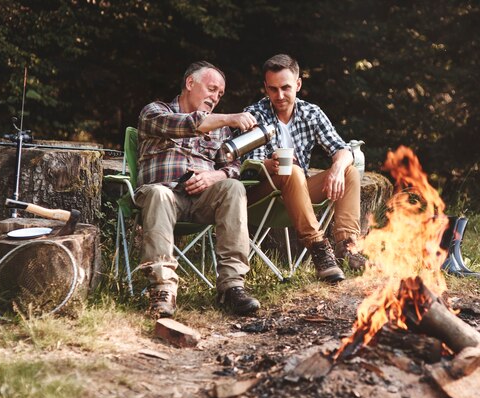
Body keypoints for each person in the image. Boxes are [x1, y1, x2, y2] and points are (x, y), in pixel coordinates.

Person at [136, 61, 260, 318]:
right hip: (164, 198)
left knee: (233, 187)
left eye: (220, 94)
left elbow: (234, 166)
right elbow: (186, 124)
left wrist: (215, 175)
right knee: (159, 193)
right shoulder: (154, 111)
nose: (215, 98)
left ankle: (232, 287)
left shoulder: (220, 130)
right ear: (190, 83)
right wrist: (229, 117)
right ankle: (162, 289)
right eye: (212, 89)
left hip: (202, 200)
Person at [244, 54, 366, 283]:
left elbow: (341, 148)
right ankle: (319, 250)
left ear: (298, 85)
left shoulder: (311, 112)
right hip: (264, 197)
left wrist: (338, 168)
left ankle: (347, 246)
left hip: (299, 193)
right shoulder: (254, 114)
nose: (279, 96)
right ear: (265, 89)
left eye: (286, 88)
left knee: (349, 170)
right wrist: (270, 164)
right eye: (273, 89)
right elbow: (249, 165)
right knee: (292, 170)